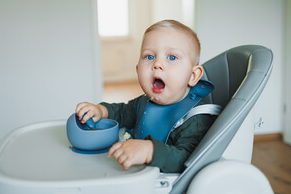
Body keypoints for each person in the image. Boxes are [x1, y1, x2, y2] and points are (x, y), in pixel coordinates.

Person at [75, 20, 220, 173]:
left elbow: (189, 160)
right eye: (149, 56)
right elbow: (123, 112)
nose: (157, 64)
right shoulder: (144, 103)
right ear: (138, 70)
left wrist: (149, 151)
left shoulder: (194, 119)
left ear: (192, 75)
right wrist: (101, 110)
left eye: (172, 57)